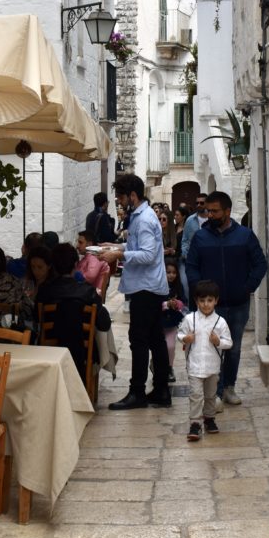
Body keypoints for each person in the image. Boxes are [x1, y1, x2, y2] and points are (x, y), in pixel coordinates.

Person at [186, 190, 267, 407]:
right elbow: (192, 267)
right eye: (208, 211)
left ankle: (229, 387)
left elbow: (260, 264)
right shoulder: (200, 238)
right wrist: (199, 292)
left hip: (238, 304)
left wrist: (247, 287)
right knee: (212, 349)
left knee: (233, 348)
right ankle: (215, 392)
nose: (210, 215)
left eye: (215, 211)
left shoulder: (245, 236)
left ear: (228, 211)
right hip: (210, 307)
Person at [99, 173, 170, 409]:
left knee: (139, 340)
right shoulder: (141, 217)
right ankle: (160, 390)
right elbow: (139, 246)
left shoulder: (145, 219)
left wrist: (119, 255)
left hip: (146, 287)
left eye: (120, 196)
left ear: (132, 195)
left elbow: (148, 255)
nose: (119, 201)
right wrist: (116, 246)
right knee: (155, 339)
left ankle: (137, 392)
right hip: (147, 286)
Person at [36, 243, 111, 379]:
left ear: (52, 266)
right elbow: (104, 324)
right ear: (76, 264)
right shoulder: (87, 291)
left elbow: (36, 319)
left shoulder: (44, 291)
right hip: (82, 348)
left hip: (51, 346)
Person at [177, 280, 232, 441]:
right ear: (196, 301)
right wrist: (186, 338)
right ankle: (195, 423)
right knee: (195, 395)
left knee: (210, 395)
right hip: (194, 366)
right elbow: (180, 334)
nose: (206, 304)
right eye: (202, 301)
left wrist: (218, 342)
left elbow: (229, 343)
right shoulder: (190, 319)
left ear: (216, 300)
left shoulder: (220, 322)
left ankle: (209, 418)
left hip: (213, 367)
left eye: (209, 300)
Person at [162, 258, 187, 382]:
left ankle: (169, 368)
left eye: (173, 272)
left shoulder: (178, 286)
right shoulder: (158, 286)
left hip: (172, 323)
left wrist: (178, 304)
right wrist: (167, 304)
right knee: (159, 348)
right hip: (158, 323)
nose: (171, 275)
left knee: (171, 346)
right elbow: (154, 305)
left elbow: (184, 303)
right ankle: (156, 365)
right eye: (168, 272)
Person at [76, 230, 111, 296]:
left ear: (89, 244)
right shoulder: (87, 257)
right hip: (86, 293)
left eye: (80, 243)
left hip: (91, 297)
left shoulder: (95, 256)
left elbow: (89, 277)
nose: (77, 246)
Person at [180, 193, 208, 267]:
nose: (199, 205)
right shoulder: (190, 220)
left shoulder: (212, 219)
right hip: (193, 258)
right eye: (197, 203)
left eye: (202, 203)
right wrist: (185, 255)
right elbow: (185, 239)